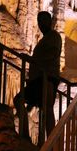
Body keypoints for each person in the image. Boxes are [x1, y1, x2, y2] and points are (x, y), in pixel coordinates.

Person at [14, 11, 62, 140]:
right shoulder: (43, 40)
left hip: (47, 78)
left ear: (50, 22)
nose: (41, 24)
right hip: (37, 80)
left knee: (47, 108)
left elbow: (52, 54)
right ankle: (25, 135)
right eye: (39, 21)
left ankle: (51, 141)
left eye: (43, 21)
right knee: (18, 100)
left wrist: (32, 60)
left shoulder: (54, 36)